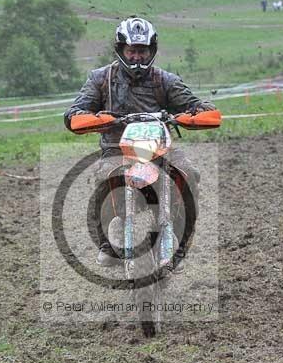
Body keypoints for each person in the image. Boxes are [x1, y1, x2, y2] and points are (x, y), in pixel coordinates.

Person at [64, 16, 214, 270]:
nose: (137, 57)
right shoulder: (101, 79)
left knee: (189, 173)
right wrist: (91, 118)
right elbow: (74, 112)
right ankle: (105, 243)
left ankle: (183, 238)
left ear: (151, 51)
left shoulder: (163, 80)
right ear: (121, 50)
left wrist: (197, 113)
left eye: (142, 51)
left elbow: (195, 105)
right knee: (102, 180)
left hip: (159, 149)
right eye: (132, 51)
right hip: (116, 150)